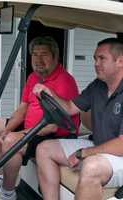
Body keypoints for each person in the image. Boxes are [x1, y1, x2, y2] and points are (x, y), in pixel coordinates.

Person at [0, 36, 80, 200]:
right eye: (34, 55)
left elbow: (52, 126)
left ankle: (7, 193)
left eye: (44, 54)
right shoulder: (33, 78)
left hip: (55, 134)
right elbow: (23, 108)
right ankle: (1, 178)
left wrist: (18, 134)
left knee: (10, 142)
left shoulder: (65, 81)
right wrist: (8, 129)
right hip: (33, 127)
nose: (38, 59)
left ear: (55, 57)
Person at [33, 37, 123, 200]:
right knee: (43, 149)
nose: (96, 63)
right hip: (99, 144)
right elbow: (69, 107)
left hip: (120, 156)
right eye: (95, 59)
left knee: (91, 167)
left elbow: (121, 144)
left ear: (120, 61)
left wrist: (86, 153)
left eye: (102, 58)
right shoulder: (98, 85)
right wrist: (49, 93)